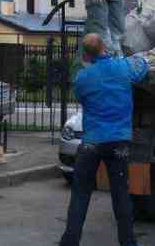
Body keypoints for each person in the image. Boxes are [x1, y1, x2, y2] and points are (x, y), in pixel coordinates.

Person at [60, 33, 149, 246]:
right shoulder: (123, 67)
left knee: (80, 195)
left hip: (91, 143)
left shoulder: (83, 77)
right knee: (121, 196)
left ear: (86, 55)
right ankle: (128, 242)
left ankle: (70, 242)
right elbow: (142, 67)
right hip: (119, 142)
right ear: (104, 48)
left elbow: (81, 97)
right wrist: (141, 58)